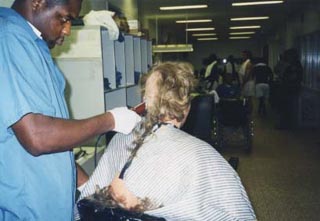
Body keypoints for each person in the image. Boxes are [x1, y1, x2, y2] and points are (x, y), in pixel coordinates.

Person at [0, 1, 141, 221]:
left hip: (50, 207)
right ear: (37, 2)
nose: (67, 29)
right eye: (64, 18)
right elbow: (38, 136)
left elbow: (55, 140)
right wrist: (110, 120)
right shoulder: (9, 39)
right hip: (25, 211)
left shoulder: (34, 45)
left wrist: (86, 185)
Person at [77, 62, 256, 221]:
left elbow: (88, 199)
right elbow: (238, 214)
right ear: (187, 107)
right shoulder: (202, 154)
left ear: (144, 102)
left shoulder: (121, 139)